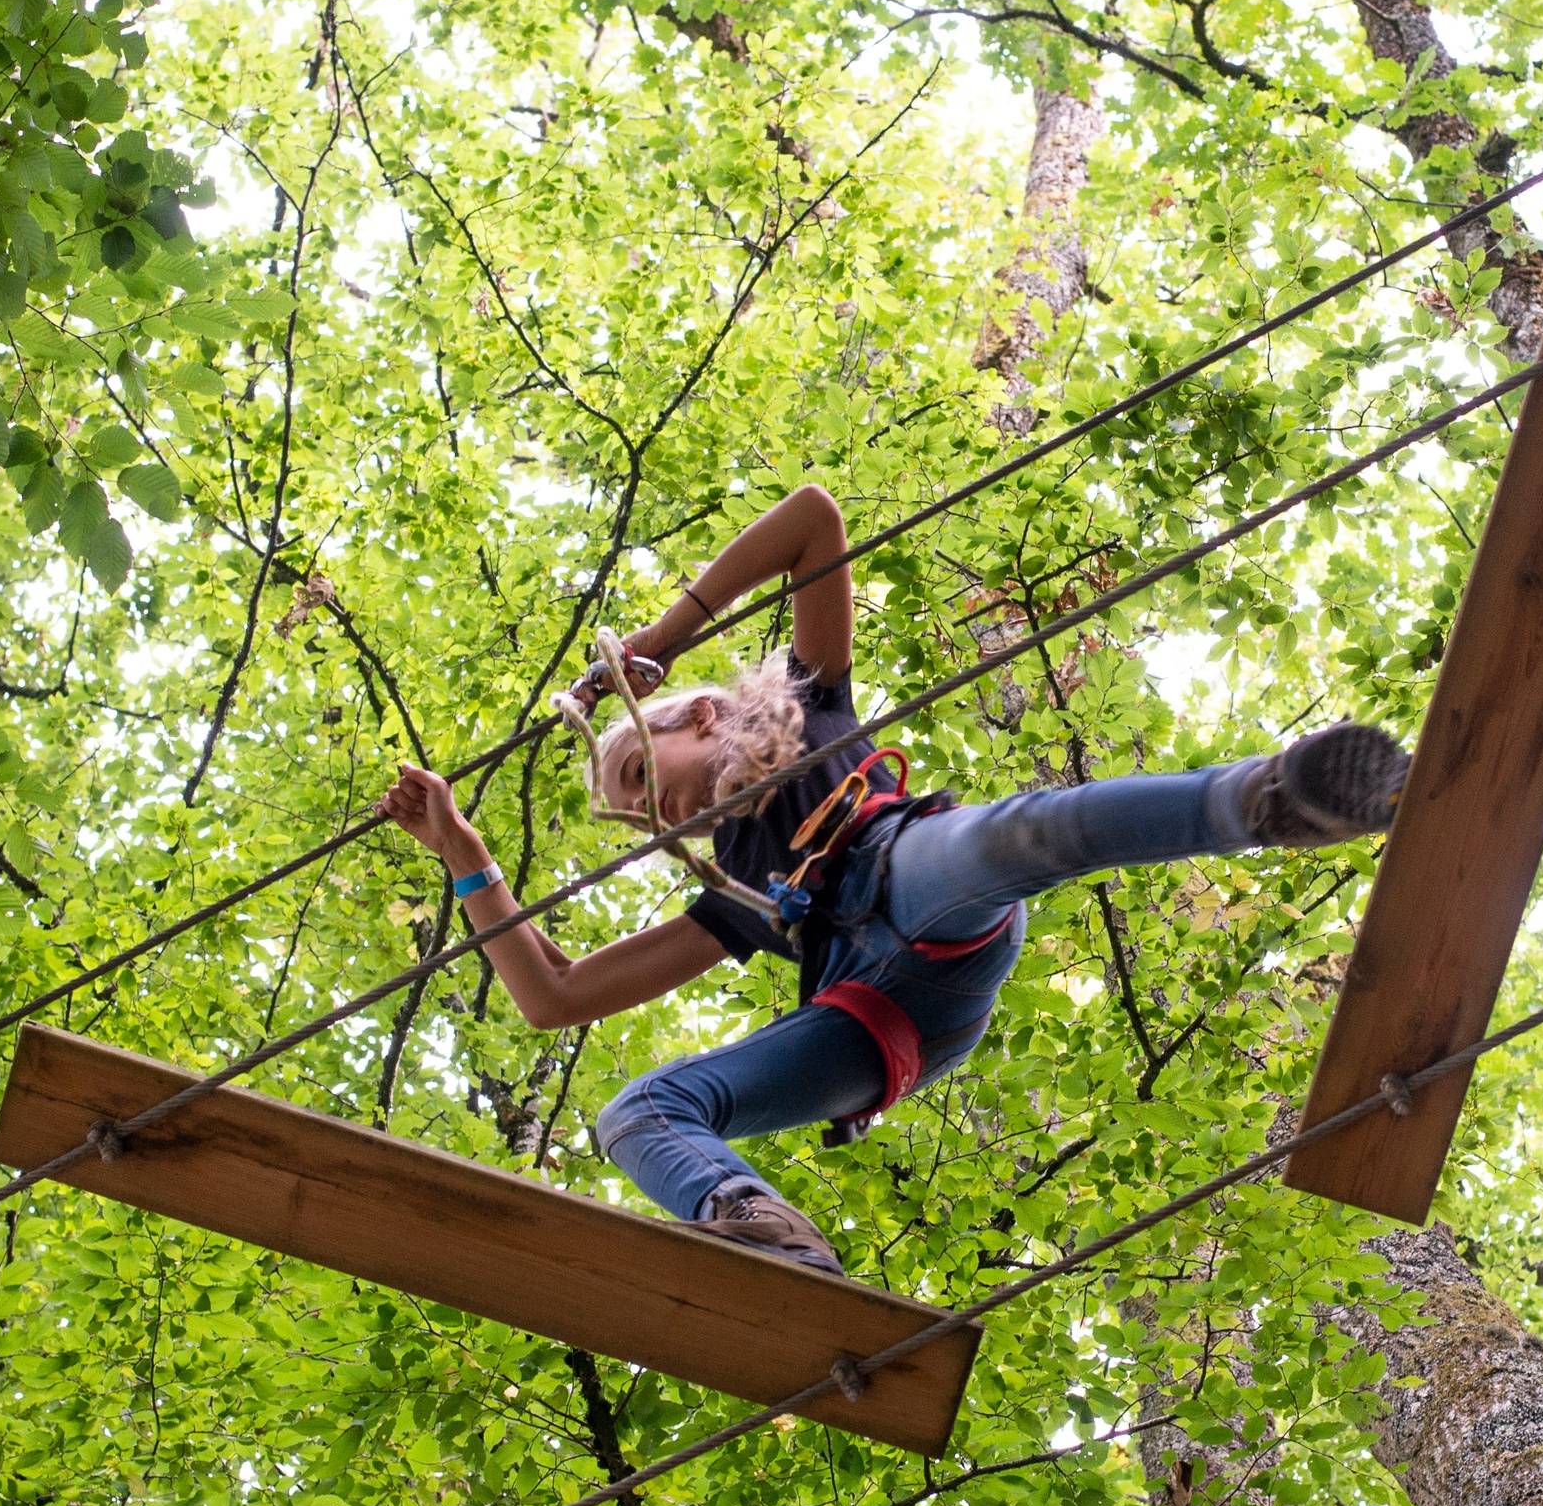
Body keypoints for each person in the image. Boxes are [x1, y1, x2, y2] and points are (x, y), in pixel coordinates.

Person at [376, 484, 1409, 1276]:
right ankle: (753, 1224)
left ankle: (1268, 801)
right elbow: (554, 996)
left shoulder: (811, 706)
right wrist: (467, 854)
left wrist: (656, 641)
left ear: (696, 718)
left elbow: (813, 521)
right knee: (634, 1114)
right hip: (876, 1014)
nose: (651, 810)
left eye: (643, 774)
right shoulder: (730, 895)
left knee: (1017, 838)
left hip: (916, 880)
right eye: (635, 809)